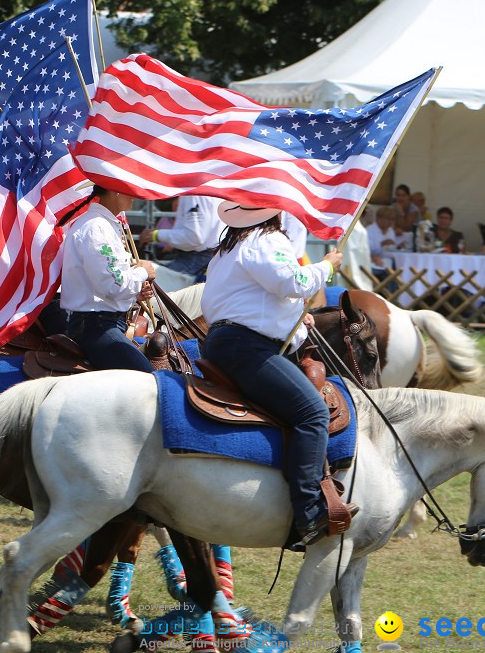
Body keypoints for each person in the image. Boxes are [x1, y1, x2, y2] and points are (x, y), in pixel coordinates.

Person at [199, 202, 348, 546]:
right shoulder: (267, 240)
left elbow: (258, 298)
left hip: (223, 340)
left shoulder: (230, 247)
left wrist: (297, 315)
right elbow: (292, 281)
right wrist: (328, 265)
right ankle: (308, 514)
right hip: (248, 347)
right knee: (312, 413)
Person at [59, 185, 155, 372]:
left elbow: (103, 283)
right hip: (97, 326)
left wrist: (135, 293)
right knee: (149, 378)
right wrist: (143, 272)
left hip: (100, 322)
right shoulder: (97, 228)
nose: (135, 195)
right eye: (129, 189)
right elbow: (112, 286)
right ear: (115, 190)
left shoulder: (101, 225)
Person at [139, 195, 223, 279]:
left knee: (151, 282)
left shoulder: (193, 194)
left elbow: (194, 237)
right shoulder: (208, 191)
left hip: (196, 259)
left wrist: (156, 235)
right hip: (209, 257)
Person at [366, 206, 401, 274]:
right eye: (388, 219)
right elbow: (367, 249)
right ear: (379, 219)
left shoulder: (390, 231)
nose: (391, 222)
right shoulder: (369, 230)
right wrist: (381, 244)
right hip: (372, 261)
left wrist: (398, 246)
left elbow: (391, 249)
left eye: (392, 220)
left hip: (388, 261)